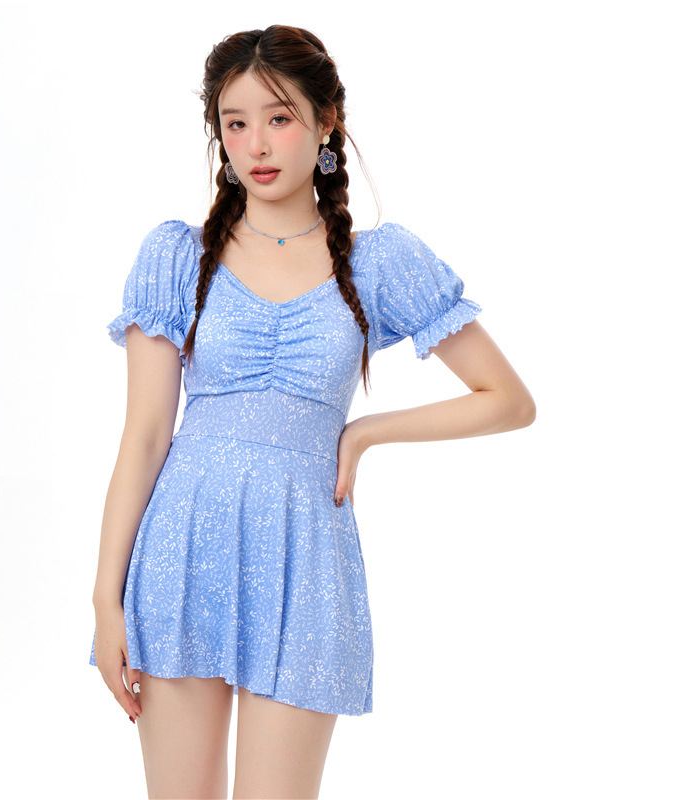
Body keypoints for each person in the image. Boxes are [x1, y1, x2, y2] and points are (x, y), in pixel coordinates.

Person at [89, 24, 536, 800]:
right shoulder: (176, 255)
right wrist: (105, 599)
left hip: (305, 558)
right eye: (235, 123)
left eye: (279, 117)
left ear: (327, 121)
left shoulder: (379, 261)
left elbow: (508, 400)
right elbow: (147, 436)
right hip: (181, 550)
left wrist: (365, 432)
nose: (256, 144)